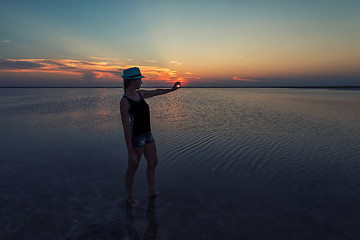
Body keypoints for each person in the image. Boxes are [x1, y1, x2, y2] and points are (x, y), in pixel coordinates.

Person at [120, 67, 181, 205]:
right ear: (132, 81)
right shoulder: (125, 102)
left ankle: (151, 190)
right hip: (136, 138)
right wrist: (130, 152)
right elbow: (125, 129)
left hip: (148, 135)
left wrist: (171, 90)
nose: (141, 82)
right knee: (133, 168)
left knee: (153, 162)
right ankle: (128, 196)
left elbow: (156, 92)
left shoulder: (141, 94)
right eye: (139, 79)